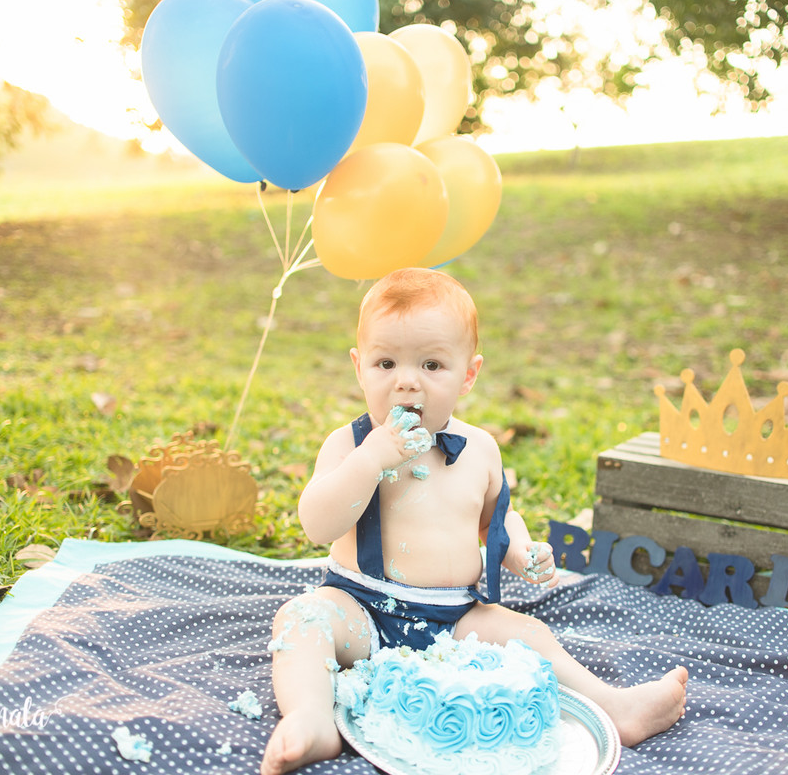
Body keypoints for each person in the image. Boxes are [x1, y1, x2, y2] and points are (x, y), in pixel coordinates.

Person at [261, 268, 687, 775]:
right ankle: (311, 720)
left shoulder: (480, 450)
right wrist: (371, 461)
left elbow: (495, 520)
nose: (406, 380)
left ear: (468, 374)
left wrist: (522, 550)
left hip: (454, 619)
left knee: (528, 634)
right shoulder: (349, 445)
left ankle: (615, 708)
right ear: (359, 367)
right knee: (301, 618)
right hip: (362, 608)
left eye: (432, 364)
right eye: (385, 362)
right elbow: (317, 524)